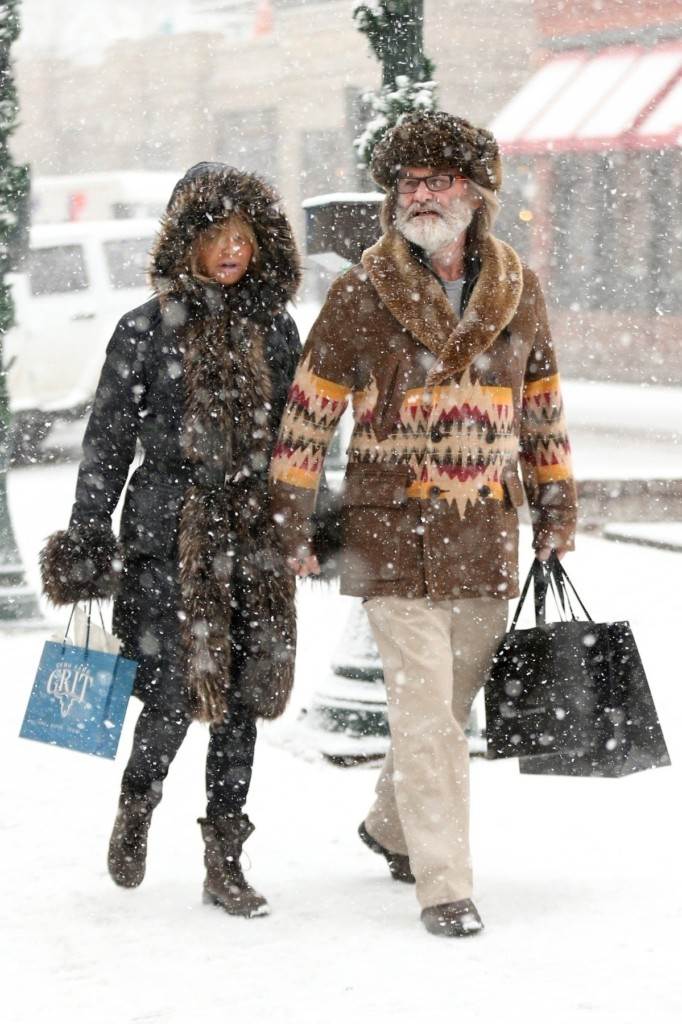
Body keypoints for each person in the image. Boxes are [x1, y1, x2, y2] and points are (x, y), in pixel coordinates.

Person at [269, 112, 577, 937]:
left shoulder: (518, 288)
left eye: (437, 181)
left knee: (447, 704)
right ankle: (445, 883)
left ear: (475, 195)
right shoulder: (362, 291)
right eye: (407, 183)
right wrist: (290, 520)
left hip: (484, 530)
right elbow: (308, 414)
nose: (420, 195)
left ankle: (390, 824)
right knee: (423, 713)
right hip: (389, 534)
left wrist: (554, 506)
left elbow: (540, 409)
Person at [41, 162, 302, 918]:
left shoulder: (274, 327)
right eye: (216, 235)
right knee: (166, 698)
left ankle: (226, 859)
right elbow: (107, 445)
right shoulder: (144, 330)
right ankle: (139, 799)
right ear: (188, 242)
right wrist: (91, 538)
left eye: (244, 236)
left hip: (252, 541)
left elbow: (302, 435)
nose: (231, 250)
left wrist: (303, 518)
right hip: (166, 541)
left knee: (243, 704)